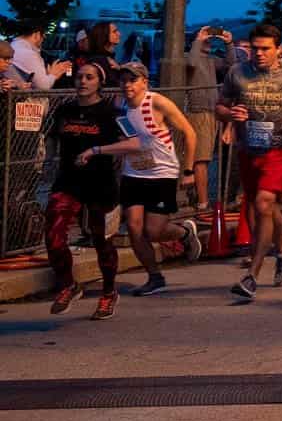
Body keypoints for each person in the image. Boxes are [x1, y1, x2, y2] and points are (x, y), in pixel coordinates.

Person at [217, 24, 282, 303]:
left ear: (277, 50)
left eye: (265, 49)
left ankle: (252, 274)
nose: (259, 54)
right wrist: (230, 114)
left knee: (263, 203)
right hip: (248, 149)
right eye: (255, 48)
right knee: (263, 205)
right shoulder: (237, 72)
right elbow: (220, 106)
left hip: (280, 148)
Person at [108, 63, 201, 296]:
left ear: (144, 82)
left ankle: (184, 233)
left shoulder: (157, 102)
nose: (127, 85)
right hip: (133, 173)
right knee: (133, 227)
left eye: (132, 80)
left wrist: (188, 171)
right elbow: (126, 136)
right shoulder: (119, 105)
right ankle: (154, 276)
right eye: (123, 80)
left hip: (162, 173)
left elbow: (189, 133)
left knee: (154, 231)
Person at [45, 62, 124, 318]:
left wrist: (100, 152)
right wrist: (48, 161)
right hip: (68, 182)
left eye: (89, 77)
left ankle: (109, 292)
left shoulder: (111, 112)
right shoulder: (64, 109)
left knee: (102, 241)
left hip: (100, 183)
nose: (82, 81)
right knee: (54, 236)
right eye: (79, 76)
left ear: (99, 82)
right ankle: (68, 284)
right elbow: (52, 138)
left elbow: (132, 143)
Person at [9, 24, 73, 90]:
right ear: (37, 35)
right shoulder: (28, 53)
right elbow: (43, 86)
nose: (42, 41)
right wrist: (53, 75)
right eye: (43, 37)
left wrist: (48, 75)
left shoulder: (14, 46)